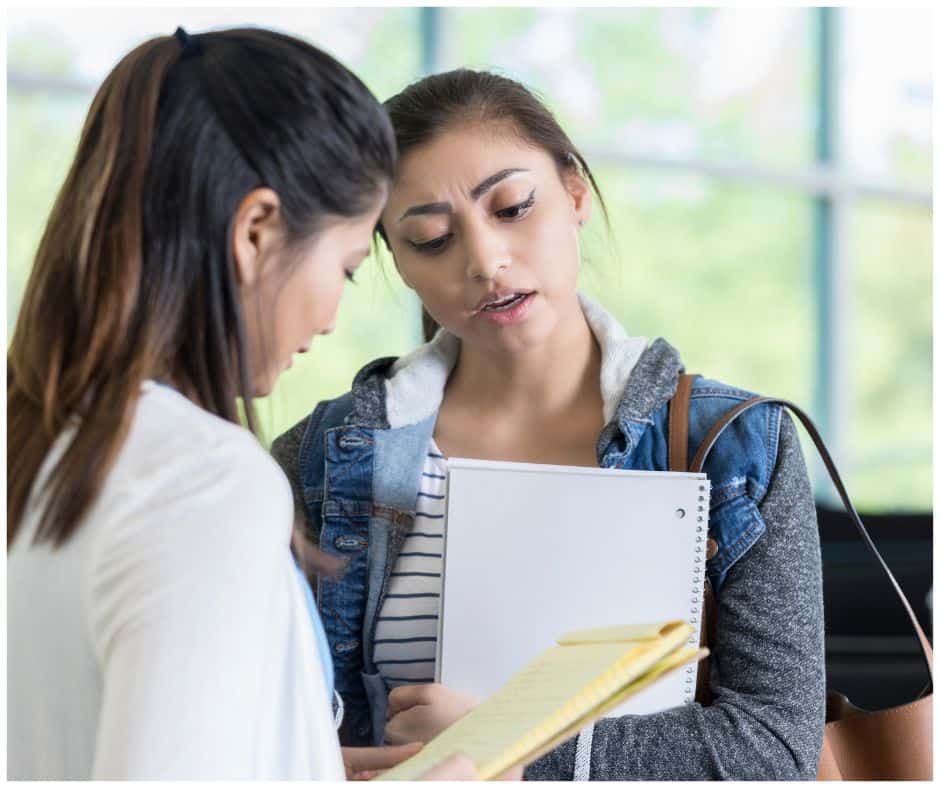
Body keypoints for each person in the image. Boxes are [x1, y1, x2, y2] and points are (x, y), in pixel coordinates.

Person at [272, 68, 827, 779]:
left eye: (511, 207)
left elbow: (774, 749)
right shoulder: (321, 459)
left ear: (575, 194)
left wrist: (509, 747)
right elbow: (268, 725)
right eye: (432, 239)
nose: (484, 261)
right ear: (393, 259)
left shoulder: (739, 446)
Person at [6, 27, 475, 781]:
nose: (329, 319)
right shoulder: (202, 480)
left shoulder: (41, 443)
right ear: (256, 230)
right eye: (348, 269)